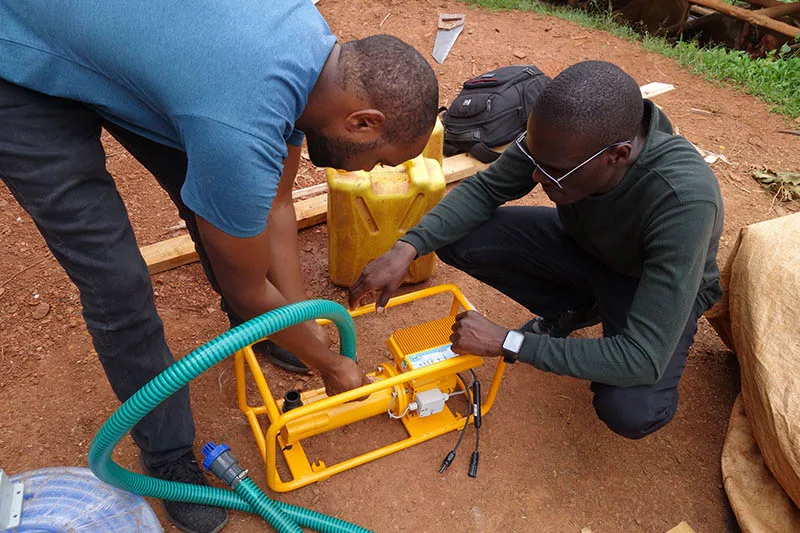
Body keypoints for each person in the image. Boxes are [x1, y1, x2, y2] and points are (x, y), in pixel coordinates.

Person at [0, 2, 438, 532]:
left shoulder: (317, 62)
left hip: (121, 56)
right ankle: (168, 458)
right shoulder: (242, 121)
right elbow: (248, 283)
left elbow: (275, 206)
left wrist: (294, 321)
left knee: (229, 205)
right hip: (18, 61)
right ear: (363, 122)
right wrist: (331, 364)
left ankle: (266, 335)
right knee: (117, 280)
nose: (371, 171)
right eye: (382, 159)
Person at [350, 60, 724, 443]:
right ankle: (575, 307)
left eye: (554, 172)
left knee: (631, 409)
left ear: (617, 156)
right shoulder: (563, 141)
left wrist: (510, 342)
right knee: (453, 233)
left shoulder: (683, 202)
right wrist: (407, 247)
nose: (535, 177)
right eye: (535, 160)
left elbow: (641, 358)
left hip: (644, 285)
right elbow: (486, 189)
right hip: (587, 248)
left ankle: (602, 311)